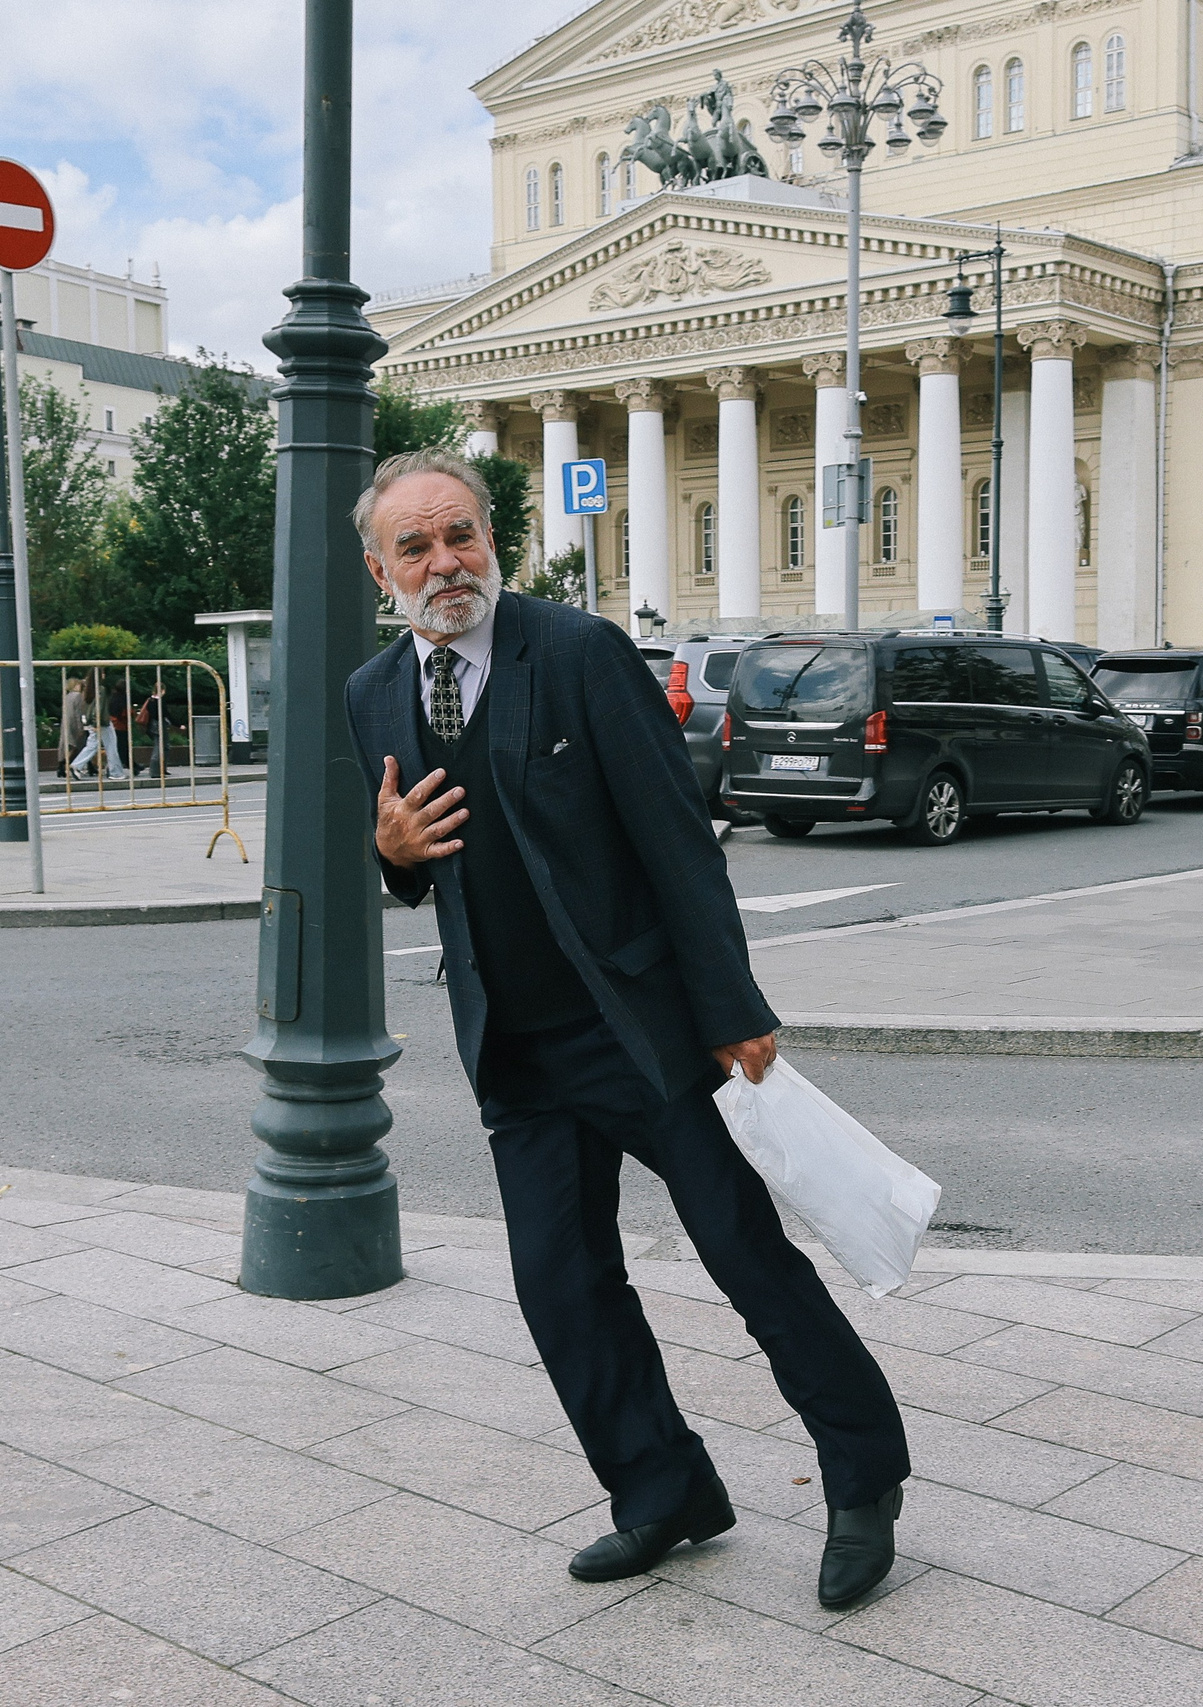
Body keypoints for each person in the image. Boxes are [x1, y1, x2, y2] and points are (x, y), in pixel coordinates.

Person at [346, 445, 912, 1610]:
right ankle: (663, 1492)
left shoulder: (578, 653)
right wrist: (386, 857)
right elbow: (413, 855)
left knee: (744, 1256)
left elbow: (673, 838)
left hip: (641, 1029)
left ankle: (864, 1479)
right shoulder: (374, 695)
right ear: (379, 567)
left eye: (462, 535)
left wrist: (731, 1009)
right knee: (560, 1285)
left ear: (490, 539)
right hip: (516, 1049)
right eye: (417, 546)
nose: (446, 562)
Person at [59, 675, 87, 778]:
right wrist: (81, 727)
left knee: (68, 745)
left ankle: (62, 765)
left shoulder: (67, 696)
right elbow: (78, 712)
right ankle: (67, 765)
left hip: (66, 722)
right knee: (76, 746)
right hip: (75, 723)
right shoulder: (77, 696)